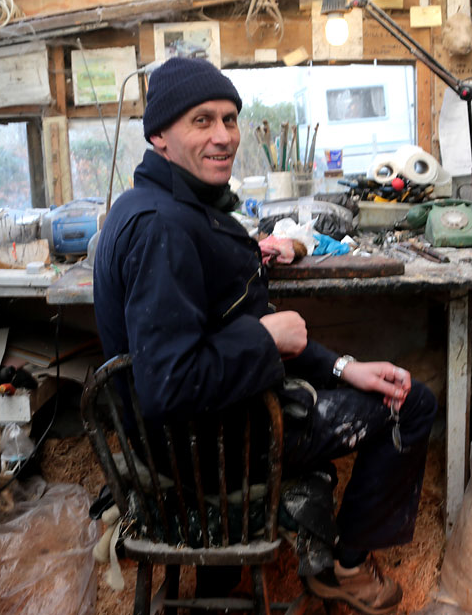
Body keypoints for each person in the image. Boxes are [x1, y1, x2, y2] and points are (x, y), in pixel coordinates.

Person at [94, 57, 436, 615]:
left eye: (229, 120)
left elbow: (233, 338)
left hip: (203, 431)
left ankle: (242, 566)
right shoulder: (164, 229)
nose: (223, 136)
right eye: (201, 121)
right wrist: (265, 337)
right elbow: (168, 385)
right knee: (412, 404)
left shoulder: (171, 209)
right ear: (158, 135)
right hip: (214, 448)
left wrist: (344, 368)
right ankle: (345, 568)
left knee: (370, 382)